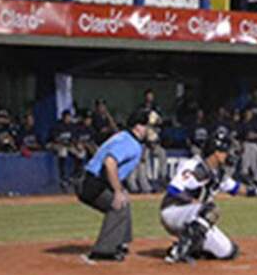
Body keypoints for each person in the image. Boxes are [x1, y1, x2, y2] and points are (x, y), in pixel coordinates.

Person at [76, 108, 151, 261]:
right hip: (91, 183)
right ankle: (103, 251)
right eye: (147, 125)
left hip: (91, 180)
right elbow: (110, 163)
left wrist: (120, 190)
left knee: (124, 200)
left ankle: (120, 243)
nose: (149, 129)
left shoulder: (123, 137)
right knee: (118, 206)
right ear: (138, 127)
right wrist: (117, 191)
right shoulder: (130, 143)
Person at [161, 130, 243, 264]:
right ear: (216, 153)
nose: (229, 154)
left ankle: (190, 247)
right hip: (173, 211)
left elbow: (235, 188)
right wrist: (192, 201)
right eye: (226, 151)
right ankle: (179, 252)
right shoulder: (195, 166)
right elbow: (173, 189)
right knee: (210, 210)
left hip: (195, 216)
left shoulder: (218, 173)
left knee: (228, 251)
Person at [48, 109, 75, 192]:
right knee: (63, 152)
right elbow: (55, 139)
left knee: (80, 153)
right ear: (63, 117)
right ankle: (62, 176)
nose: (68, 118)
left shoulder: (71, 126)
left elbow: (74, 139)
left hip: (68, 145)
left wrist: (76, 145)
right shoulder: (57, 126)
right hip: (54, 145)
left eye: (69, 117)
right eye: (67, 117)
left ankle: (74, 176)